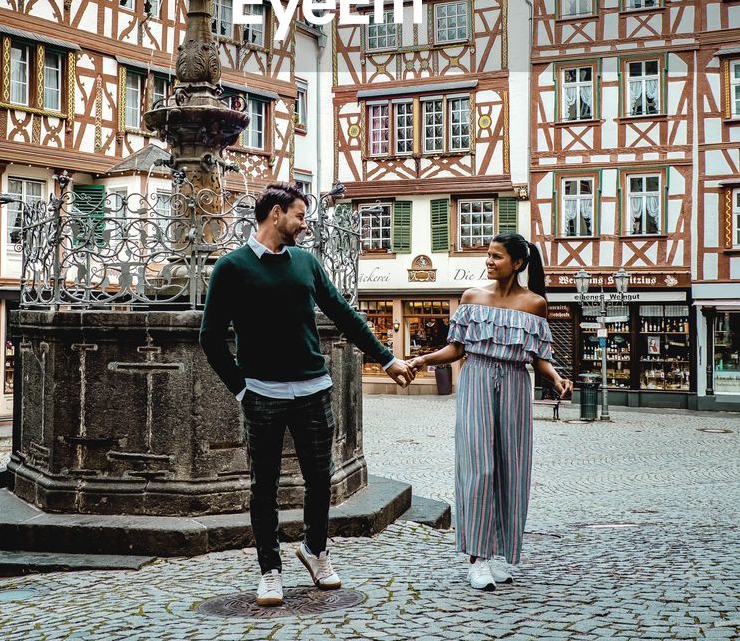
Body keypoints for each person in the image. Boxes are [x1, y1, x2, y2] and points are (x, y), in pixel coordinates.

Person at [199, 181, 415, 606]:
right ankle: (270, 570)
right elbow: (210, 337)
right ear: (276, 213)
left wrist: (386, 358)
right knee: (265, 485)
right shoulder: (231, 267)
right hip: (262, 394)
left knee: (320, 479)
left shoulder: (306, 263)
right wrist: (241, 388)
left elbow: (344, 315)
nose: (304, 224)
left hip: (314, 389)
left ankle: (316, 551)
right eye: (299, 215)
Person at [407, 233, 572, 591]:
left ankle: (497, 553)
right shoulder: (472, 298)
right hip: (476, 381)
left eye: (496, 256)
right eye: (488, 255)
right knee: (479, 468)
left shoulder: (535, 304)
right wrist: (422, 358)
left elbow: (539, 357)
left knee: (510, 469)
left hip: (515, 385)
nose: (489, 261)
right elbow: (456, 349)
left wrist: (557, 378)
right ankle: (477, 558)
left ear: (517, 263)